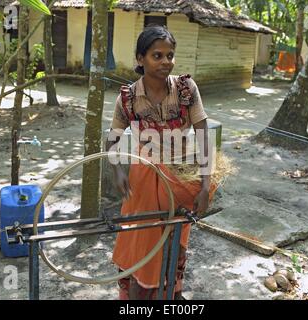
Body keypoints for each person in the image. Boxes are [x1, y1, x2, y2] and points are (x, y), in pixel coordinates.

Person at [106, 25, 217, 300]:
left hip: (180, 177)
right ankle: (141, 294)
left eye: (170, 55)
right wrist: (118, 170)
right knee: (141, 237)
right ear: (140, 58)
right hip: (143, 179)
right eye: (157, 55)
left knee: (174, 236)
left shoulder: (186, 89)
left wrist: (205, 184)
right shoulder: (128, 98)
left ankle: (170, 292)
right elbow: (112, 139)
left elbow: (203, 135)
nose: (166, 62)